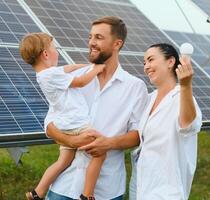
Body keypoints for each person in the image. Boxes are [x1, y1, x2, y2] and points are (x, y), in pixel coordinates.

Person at [44, 16, 148, 200]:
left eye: (99, 38)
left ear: (117, 43)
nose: (91, 42)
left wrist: (108, 144)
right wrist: (72, 142)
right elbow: (50, 125)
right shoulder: (73, 78)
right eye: (90, 37)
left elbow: (139, 135)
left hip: (106, 189)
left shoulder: (135, 87)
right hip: (64, 186)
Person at [19, 32, 106, 200]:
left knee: (64, 161)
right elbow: (80, 82)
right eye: (54, 48)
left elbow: (66, 69)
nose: (57, 51)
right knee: (100, 153)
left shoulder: (45, 74)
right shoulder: (50, 75)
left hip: (64, 124)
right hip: (76, 124)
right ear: (45, 54)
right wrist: (96, 68)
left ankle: (37, 192)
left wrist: (83, 66)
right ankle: (87, 195)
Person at [130, 43, 202, 200]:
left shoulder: (182, 98)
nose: (146, 67)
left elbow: (188, 125)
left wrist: (186, 86)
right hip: (143, 187)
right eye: (144, 63)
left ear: (170, 62)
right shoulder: (150, 99)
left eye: (151, 60)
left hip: (168, 191)